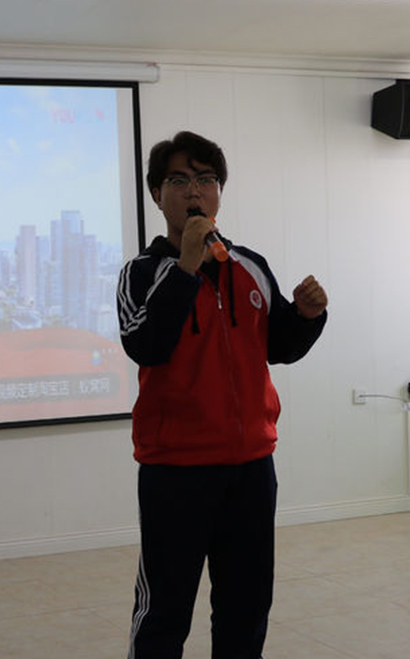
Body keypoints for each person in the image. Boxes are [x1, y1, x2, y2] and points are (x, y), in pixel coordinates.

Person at [117, 131, 328, 659]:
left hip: (250, 468)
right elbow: (145, 344)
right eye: (179, 180)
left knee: (246, 608)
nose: (195, 191)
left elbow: (278, 346)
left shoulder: (249, 266)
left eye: (206, 179)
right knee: (164, 613)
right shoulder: (141, 274)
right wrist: (186, 268)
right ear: (157, 194)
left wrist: (307, 317)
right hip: (175, 472)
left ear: (219, 193)